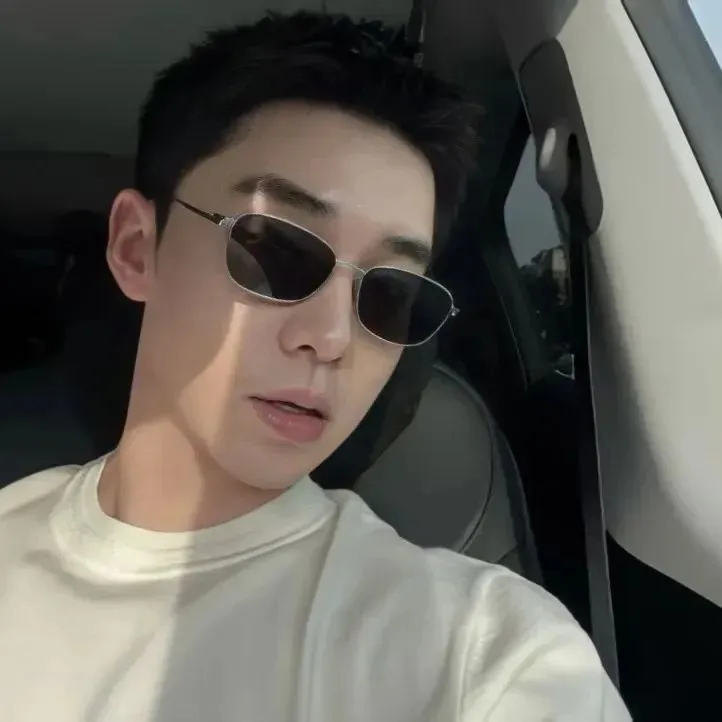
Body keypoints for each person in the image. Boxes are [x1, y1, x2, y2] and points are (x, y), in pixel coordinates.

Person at [0, 11, 631, 722]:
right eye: (277, 251)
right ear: (137, 249)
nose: (332, 337)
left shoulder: (482, 651)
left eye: (391, 294)